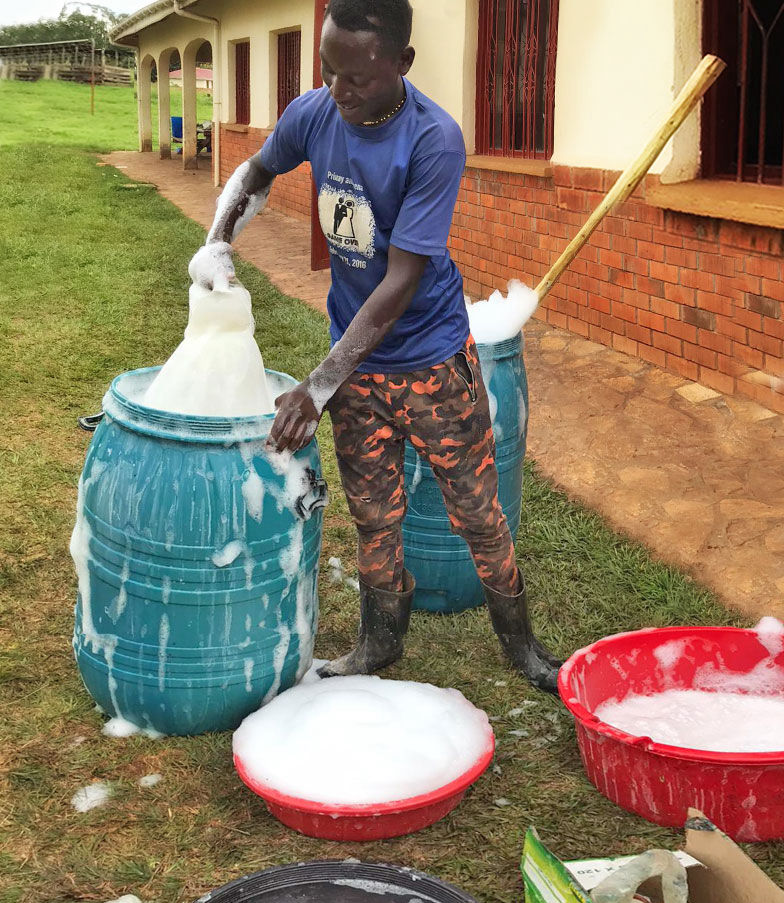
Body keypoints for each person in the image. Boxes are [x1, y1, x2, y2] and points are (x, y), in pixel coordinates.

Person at [188, 0, 561, 693]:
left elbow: (398, 283)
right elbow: (255, 172)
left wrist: (318, 384)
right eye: (328, 73)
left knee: (476, 510)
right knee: (373, 514)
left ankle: (522, 645)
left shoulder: (432, 140)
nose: (339, 93)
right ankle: (378, 642)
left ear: (401, 65)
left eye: (356, 79)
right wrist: (216, 239)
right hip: (357, 371)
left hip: (430, 362)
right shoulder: (318, 110)